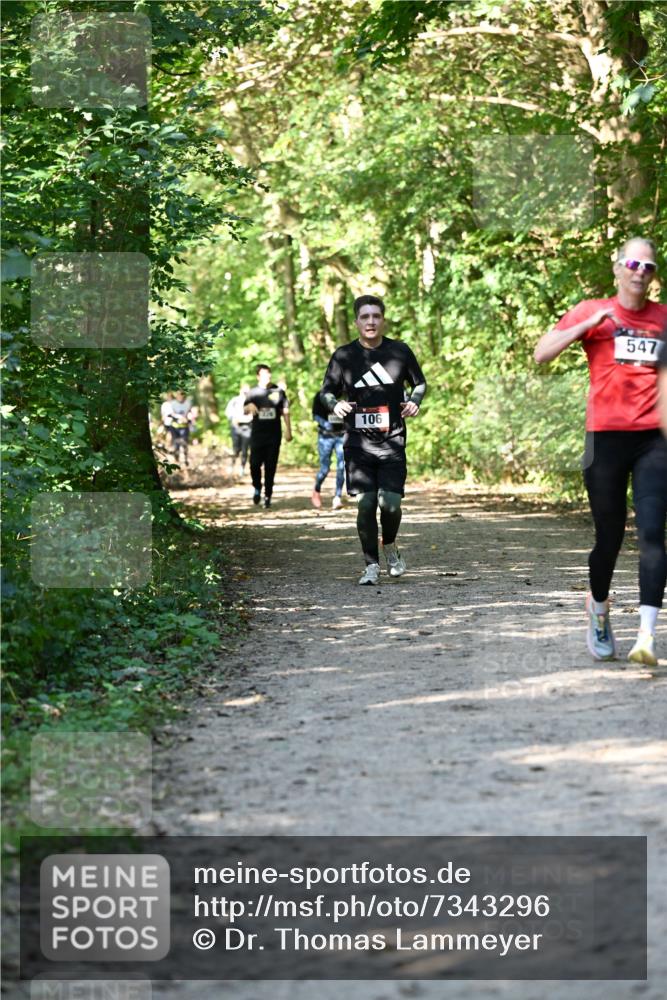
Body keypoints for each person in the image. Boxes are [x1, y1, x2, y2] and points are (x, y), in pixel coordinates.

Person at [534, 236, 667, 666]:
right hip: (604, 439)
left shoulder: (663, 318)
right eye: (633, 264)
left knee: (652, 532)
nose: (639, 273)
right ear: (617, 268)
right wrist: (586, 326)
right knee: (608, 537)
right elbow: (541, 354)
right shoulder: (592, 311)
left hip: (654, 440)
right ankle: (599, 608)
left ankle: (646, 636)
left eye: (648, 267)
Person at [320, 294, 427, 585]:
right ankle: (371, 565)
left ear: (383, 320)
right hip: (358, 443)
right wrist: (335, 405)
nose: (371, 322)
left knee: (390, 504)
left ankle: (389, 544)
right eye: (365, 317)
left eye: (376, 316)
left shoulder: (399, 351)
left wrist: (414, 401)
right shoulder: (343, 356)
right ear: (356, 321)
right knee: (366, 504)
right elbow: (326, 392)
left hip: (393, 440)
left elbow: (419, 383)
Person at [244, 364, 292, 508]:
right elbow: (245, 408)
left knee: (270, 466)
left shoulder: (278, 391)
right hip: (257, 435)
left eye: (269, 373)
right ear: (258, 376)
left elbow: (285, 411)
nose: (268, 376)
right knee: (254, 465)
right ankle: (257, 487)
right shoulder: (252, 393)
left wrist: (289, 430)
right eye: (265, 374)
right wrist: (248, 407)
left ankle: (267, 495)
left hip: (274, 435)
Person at [311, 390, 345, 510]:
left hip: (342, 436)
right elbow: (315, 415)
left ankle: (337, 497)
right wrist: (326, 424)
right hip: (325, 437)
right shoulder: (320, 395)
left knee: (342, 466)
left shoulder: (347, 393)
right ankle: (316, 489)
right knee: (325, 469)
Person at [225, 383, 252, 476]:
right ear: (240, 391)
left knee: (245, 449)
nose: (246, 393)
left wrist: (249, 418)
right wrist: (234, 419)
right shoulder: (234, 401)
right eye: (244, 391)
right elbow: (228, 413)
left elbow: (255, 414)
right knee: (235, 449)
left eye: (247, 392)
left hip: (247, 427)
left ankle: (242, 468)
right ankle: (231, 466)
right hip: (236, 427)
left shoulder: (251, 402)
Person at [167, 390, 194, 468]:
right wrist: (178, 417)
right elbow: (170, 414)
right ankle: (177, 459)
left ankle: (185, 459)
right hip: (174, 427)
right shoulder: (173, 403)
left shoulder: (188, 403)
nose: (181, 396)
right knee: (176, 444)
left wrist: (188, 418)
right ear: (177, 396)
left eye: (182, 395)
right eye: (179, 395)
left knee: (184, 443)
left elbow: (190, 412)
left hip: (184, 426)